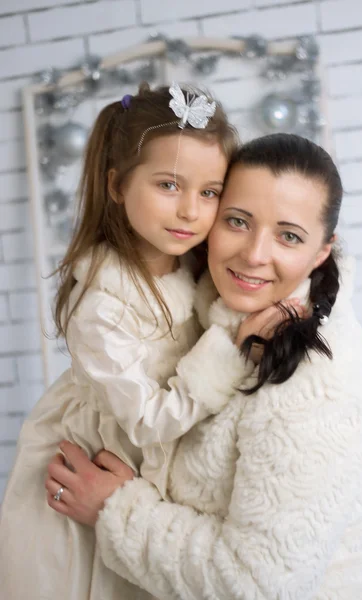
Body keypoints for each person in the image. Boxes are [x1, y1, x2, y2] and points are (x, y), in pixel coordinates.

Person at [47, 133, 362, 599]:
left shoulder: (315, 384)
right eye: (237, 221)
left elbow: (258, 585)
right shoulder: (216, 319)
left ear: (321, 252)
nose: (254, 254)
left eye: (288, 236)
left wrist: (117, 508)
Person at [0, 82, 253, 600]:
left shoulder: (194, 269)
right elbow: (146, 421)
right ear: (117, 185)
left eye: (209, 192)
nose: (190, 211)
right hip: (105, 453)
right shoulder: (100, 302)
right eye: (168, 185)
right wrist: (229, 349)